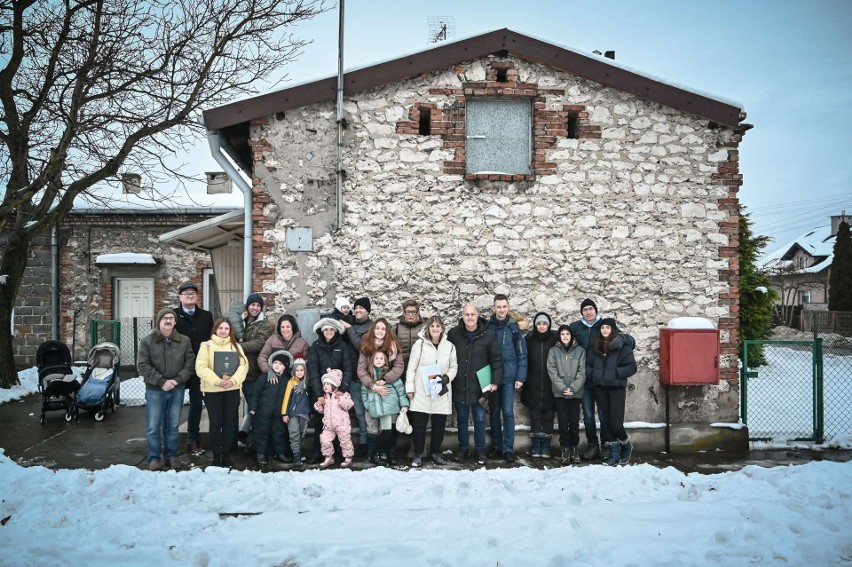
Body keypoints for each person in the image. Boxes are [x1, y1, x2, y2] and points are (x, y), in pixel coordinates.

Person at [137, 309, 195, 471]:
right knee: (154, 425)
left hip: (177, 389)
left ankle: (171, 456)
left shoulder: (184, 341)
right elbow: (143, 365)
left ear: (175, 322)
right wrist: (161, 381)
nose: (168, 321)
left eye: (171, 318)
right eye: (165, 318)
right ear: (159, 321)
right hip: (155, 390)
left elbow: (190, 363)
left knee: (173, 424)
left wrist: (177, 380)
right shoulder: (147, 341)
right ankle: (154, 458)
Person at [447, 304, 503, 465]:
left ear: (477, 316)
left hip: (480, 387)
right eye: (467, 315)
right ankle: (463, 448)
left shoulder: (488, 335)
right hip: (460, 385)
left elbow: (496, 360)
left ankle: (480, 449)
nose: (470, 317)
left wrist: (495, 381)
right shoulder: (454, 334)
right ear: (462, 316)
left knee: (479, 419)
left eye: (472, 314)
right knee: (462, 420)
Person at [405, 315, 457, 467]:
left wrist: (447, 377)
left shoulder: (449, 346)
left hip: (440, 389)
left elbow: (454, 367)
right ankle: (419, 454)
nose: (435, 328)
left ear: (442, 328)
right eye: (432, 326)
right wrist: (410, 388)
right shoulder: (420, 345)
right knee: (419, 425)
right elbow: (411, 368)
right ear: (428, 328)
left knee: (439, 425)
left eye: (438, 326)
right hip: (421, 391)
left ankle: (435, 452)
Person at [195, 319, 248, 468]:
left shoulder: (236, 346)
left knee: (230, 423)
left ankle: (226, 455)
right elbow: (201, 368)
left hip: (232, 390)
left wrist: (233, 381)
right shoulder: (206, 346)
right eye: (221, 328)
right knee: (216, 422)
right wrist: (218, 381)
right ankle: (216, 456)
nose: (223, 330)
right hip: (213, 391)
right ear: (215, 329)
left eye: (226, 328)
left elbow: (243, 366)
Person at [587, 318, 637, 466]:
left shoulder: (623, 347)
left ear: (613, 330)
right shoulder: (595, 347)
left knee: (616, 423)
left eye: (608, 328)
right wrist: (595, 374)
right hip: (600, 388)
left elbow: (631, 367)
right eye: (602, 328)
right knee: (606, 423)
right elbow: (587, 366)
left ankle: (626, 444)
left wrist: (614, 373)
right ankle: (614, 454)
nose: (604, 330)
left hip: (616, 389)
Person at [173, 281, 215, 455]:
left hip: (199, 367)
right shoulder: (173, 315)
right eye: (186, 293)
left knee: (197, 403)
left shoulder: (206, 316)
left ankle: (193, 439)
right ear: (180, 297)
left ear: (197, 297)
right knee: (174, 405)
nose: (190, 296)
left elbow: (211, 339)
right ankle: (170, 441)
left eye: (193, 293)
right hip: (178, 367)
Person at [356, 318, 404, 463]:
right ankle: (374, 453)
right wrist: (373, 386)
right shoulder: (366, 347)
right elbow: (361, 370)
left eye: (383, 329)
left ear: (387, 331)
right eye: (377, 328)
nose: (380, 331)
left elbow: (399, 367)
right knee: (373, 424)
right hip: (371, 389)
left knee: (390, 423)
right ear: (373, 329)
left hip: (389, 389)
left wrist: (385, 379)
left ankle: (389, 452)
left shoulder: (394, 346)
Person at [486, 294, 528, 462]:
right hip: (492, 377)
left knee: (508, 412)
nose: (501, 310)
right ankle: (497, 446)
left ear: (508, 308)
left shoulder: (514, 328)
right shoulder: (488, 327)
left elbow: (522, 353)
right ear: (494, 308)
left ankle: (508, 448)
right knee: (494, 413)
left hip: (510, 377)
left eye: (504, 306)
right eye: (498, 306)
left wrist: (521, 376)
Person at [307, 318, 354, 462]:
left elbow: (348, 368)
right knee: (321, 423)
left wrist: (342, 388)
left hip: (338, 391)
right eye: (326, 329)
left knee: (340, 423)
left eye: (331, 330)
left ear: (335, 331)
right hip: (322, 391)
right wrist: (318, 394)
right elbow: (313, 371)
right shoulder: (315, 347)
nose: (328, 332)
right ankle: (319, 452)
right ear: (322, 331)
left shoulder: (343, 346)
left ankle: (340, 453)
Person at [237, 293, 276, 450]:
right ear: (248, 306)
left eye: (258, 306)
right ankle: (246, 435)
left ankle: (259, 443)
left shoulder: (264, 324)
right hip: (237, 372)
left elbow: (260, 343)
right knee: (250, 407)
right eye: (252, 305)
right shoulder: (241, 322)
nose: (255, 308)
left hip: (254, 373)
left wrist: (238, 347)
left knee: (257, 408)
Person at [569, 298, 604, 460]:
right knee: (588, 415)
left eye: (591, 309)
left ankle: (607, 445)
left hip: (602, 378)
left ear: (596, 310)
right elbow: (566, 342)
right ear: (581, 312)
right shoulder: (576, 327)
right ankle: (592, 445)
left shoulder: (604, 325)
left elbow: (622, 339)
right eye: (585, 310)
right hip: (585, 378)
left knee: (604, 415)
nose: (589, 312)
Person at [362, 350, 409, 465]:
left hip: (391, 408)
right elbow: (364, 393)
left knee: (390, 432)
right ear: (372, 361)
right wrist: (367, 405)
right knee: (380, 431)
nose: (378, 360)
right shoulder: (369, 377)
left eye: (381, 358)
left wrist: (404, 404)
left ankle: (385, 453)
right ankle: (374, 454)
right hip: (378, 409)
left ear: (386, 361)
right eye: (376, 358)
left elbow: (401, 391)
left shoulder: (390, 376)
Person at [547, 325, 586, 465]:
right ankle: (565, 449)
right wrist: (563, 388)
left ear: (572, 336)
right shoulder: (553, 351)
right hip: (560, 393)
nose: (565, 336)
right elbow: (552, 370)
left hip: (575, 393)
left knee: (574, 422)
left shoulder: (580, 351)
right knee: (563, 422)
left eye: (567, 334)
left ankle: (574, 449)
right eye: (562, 334)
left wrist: (573, 388)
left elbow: (582, 372)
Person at [522, 312, 558, 458]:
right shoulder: (529, 340)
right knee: (535, 415)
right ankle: (537, 444)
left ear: (548, 325)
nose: (542, 326)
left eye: (544, 324)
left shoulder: (555, 339)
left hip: (551, 383)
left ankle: (546, 445)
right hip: (533, 383)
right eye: (539, 324)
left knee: (549, 415)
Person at [341, 296, 373, 455]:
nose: (358, 310)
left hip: (367, 377)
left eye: (362, 308)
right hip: (352, 375)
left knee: (370, 411)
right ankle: (363, 442)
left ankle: (372, 442)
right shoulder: (350, 323)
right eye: (357, 308)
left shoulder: (371, 327)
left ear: (368, 311)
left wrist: (348, 328)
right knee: (358, 411)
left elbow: (362, 347)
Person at [249, 349, 292, 467]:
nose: (277, 366)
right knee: (262, 432)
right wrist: (253, 407)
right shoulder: (264, 377)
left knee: (278, 433)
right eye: (275, 363)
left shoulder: (287, 379)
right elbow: (256, 393)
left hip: (279, 413)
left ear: (286, 366)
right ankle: (261, 453)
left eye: (280, 364)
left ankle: (279, 453)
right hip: (263, 411)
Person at [313, 369, 355, 468]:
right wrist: (318, 405)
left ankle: (348, 457)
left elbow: (349, 405)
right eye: (324, 384)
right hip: (328, 425)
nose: (325, 386)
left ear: (334, 385)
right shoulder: (325, 397)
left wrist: (341, 399)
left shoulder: (343, 395)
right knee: (324, 440)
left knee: (345, 441)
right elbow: (322, 411)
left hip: (342, 425)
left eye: (328, 384)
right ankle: (328, 457)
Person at [283, 358, 311, 469]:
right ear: (293, 371)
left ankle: (298, 452)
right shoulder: (291, 382)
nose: (299, 372)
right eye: (297, 370)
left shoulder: (307, 383)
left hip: (304, 413)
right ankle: (296, 456)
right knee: (294, 434)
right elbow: (286, 399)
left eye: (302, 370)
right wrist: (284, 413)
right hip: (293, 413)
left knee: (301, 434)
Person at [394, 298, 426, 373]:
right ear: (404, 313)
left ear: (418, 313)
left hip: (420, 369)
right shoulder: (396, 328)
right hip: (400, 369)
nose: (410, 315)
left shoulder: (425, 328)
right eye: (408, 312)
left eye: (413, 312)